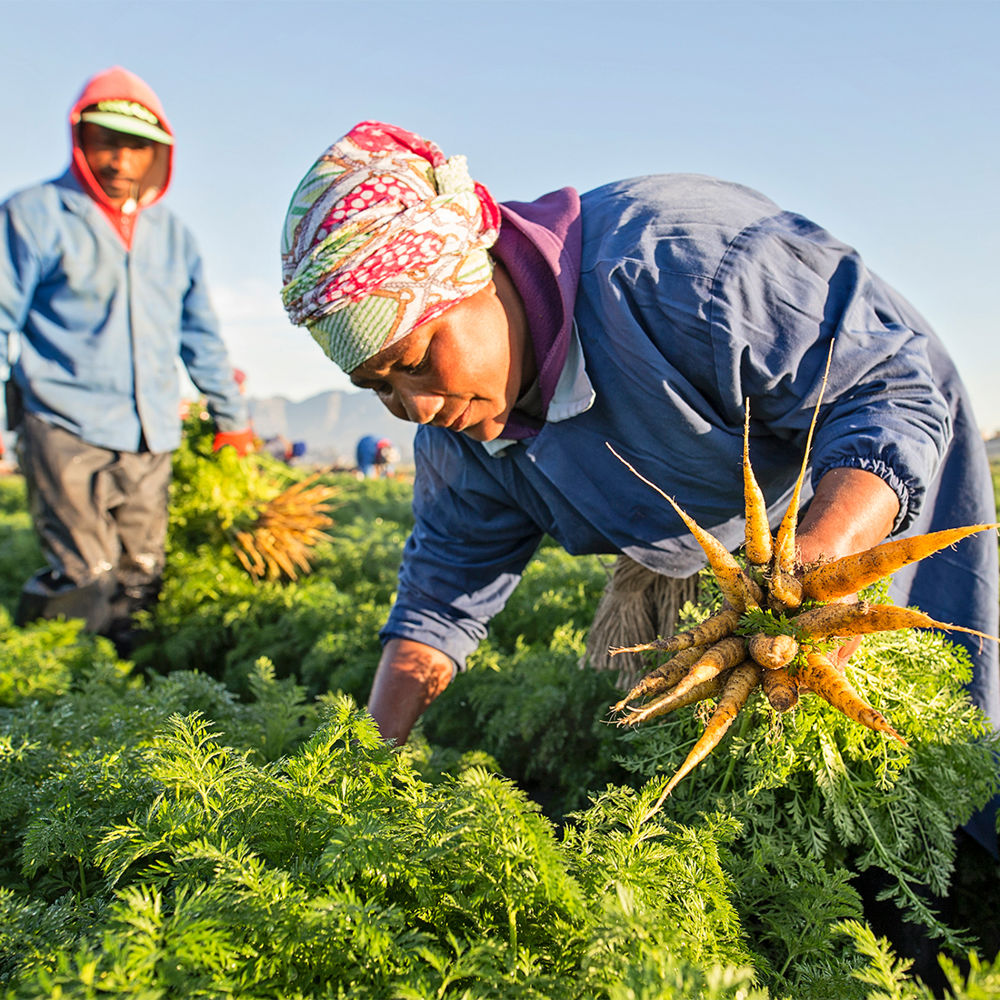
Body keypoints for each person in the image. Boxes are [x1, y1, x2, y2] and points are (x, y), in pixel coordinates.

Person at [280, 121, 999, 856]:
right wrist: (363, 769)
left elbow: (887, 392)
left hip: (870, 464)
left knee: (939, 723)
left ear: (479, 270)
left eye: (421, 356)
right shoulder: (462, 442)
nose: (418, 407)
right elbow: (439, 601)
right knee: (764, 778)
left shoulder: (681, 266)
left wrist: (823, 558)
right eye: (380, 388)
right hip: (708, 540)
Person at [0, 66, 253, 653]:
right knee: (85, 570)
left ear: (157, 153)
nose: (118, 160)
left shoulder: (174, 236)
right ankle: (59, 688)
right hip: (63, 423)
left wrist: (232, 420)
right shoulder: (33, 214)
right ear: (81, 141)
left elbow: (202, 335)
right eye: (105, 142)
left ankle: (131, 687)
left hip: (151, 431)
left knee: (141, 570)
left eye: (135, 146)